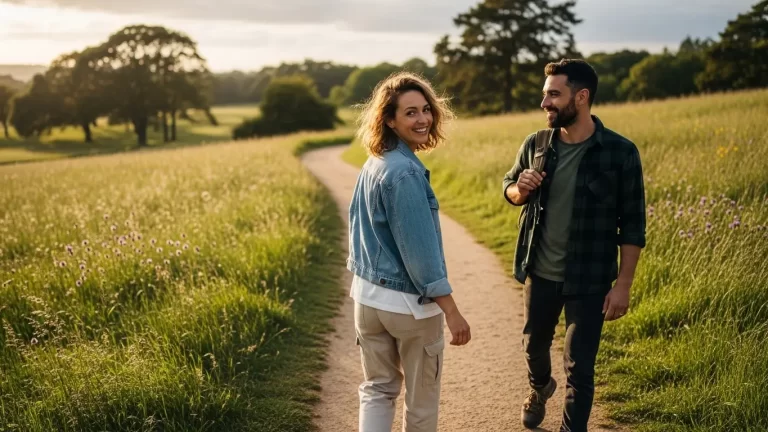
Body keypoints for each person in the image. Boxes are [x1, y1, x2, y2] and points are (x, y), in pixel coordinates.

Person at [502, 59, 646, 431]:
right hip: (541, 271)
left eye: (553, 94)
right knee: (534, 346)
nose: (544, 103)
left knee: (579, 367)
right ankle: (539, 388)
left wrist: (623, 286)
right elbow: (510, 188)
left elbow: (632, 225)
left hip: (591, 278)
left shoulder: (620, 152)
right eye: (544, 94)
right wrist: (521, 189)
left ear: (581, 97)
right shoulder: (536, 144)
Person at [347, 71, 471, 432]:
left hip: (367, 301)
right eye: (410, 113)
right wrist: (452, 311)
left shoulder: (373, 163)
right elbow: (421, 255)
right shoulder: (405, 174)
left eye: (425, 110)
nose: (423, 120)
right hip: (408, 307)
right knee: (421, 399)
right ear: (389, 119)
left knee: (377, 389)